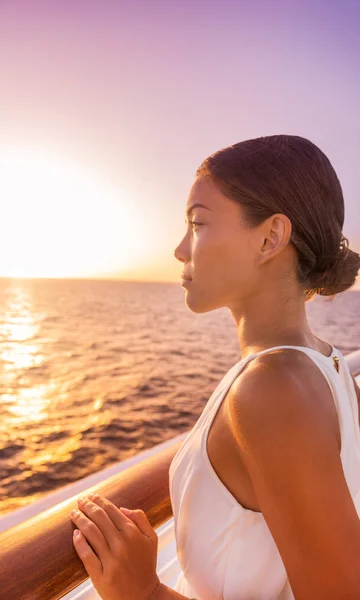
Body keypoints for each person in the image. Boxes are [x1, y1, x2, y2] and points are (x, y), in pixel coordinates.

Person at [170, 134, 360, 599]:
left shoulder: (272, 392)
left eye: (197, 223)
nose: (180, 249)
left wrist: (141, 590)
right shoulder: (328, 364)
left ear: (271, 237)